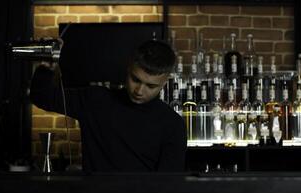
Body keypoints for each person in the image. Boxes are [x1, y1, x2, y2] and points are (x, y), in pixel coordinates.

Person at [30, 39, 187, 173]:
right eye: (135, 79)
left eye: (151, 86)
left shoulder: (172, 124)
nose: (139, 91)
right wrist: (46, 66)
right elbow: (41, 97)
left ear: (164, 82)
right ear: (129, 68)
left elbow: (169, 184)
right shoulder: (96, 100)